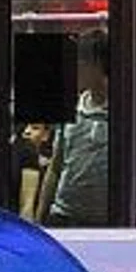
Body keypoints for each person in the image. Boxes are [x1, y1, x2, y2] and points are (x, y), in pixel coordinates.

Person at [40, 29, 108, 227]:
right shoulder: (72, 107)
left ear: (97, 64)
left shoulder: (124, 114)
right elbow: (55, 167)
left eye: (80, 63)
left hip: (105, 221)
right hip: (64, 215)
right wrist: (40, 217)